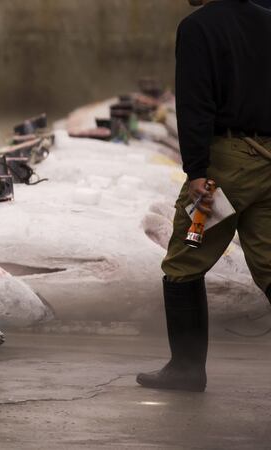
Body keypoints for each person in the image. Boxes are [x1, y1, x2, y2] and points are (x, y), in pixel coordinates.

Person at [137, 0, 271, 392]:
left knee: (184, 261)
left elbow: (195, 102)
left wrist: (197, 170)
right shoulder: (267, 19)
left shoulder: (199, 26)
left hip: (226, 165)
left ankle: (186, 369)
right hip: (268, 159)